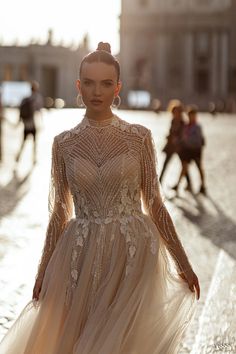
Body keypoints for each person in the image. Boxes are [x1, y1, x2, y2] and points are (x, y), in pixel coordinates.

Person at [0, 42, 200, 354]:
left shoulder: (139, 137)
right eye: (90, 83)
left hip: (132, 254)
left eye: (106, 83)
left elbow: (155, 202)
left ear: (118, 86)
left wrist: (182, 263)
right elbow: (59, 211)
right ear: (78, 86)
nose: (97, 91)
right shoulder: (62, 144)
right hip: (79, 253)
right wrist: (42, 271)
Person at [172, 105, 206, 195]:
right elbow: (183, 138)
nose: (191, 117)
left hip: (196, 150)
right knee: (184, 167)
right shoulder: (186, 126)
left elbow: (198, 140)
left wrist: (187, 140)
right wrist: (178, 142)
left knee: (199, 168)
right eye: (190, 115)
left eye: (193, 115)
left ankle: (203, 186)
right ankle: (178, 185)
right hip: (188, 150)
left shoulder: (197, 127)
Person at [159, 99, 192, 191]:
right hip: (171, 147)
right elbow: (171, 132)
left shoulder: (183, 122)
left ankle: (189, 184)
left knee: (183, 165)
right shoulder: (173, 121)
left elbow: (183, 135)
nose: (174, 113)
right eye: (173, 111)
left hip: (179, 147)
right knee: (165, 164)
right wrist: (169, 137)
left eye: (176, 111)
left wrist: (177, 139)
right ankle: (160, 181)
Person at [15, 80, 43, 165]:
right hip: (33, 124)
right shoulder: (37, 98)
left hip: (26, 124)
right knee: (34, 142)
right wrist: (42, 122)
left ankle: (18, 157)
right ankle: (34, 158)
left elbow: (20, 111)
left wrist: (19, 120)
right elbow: (39, 111)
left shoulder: (25, 98)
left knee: (23, 142)